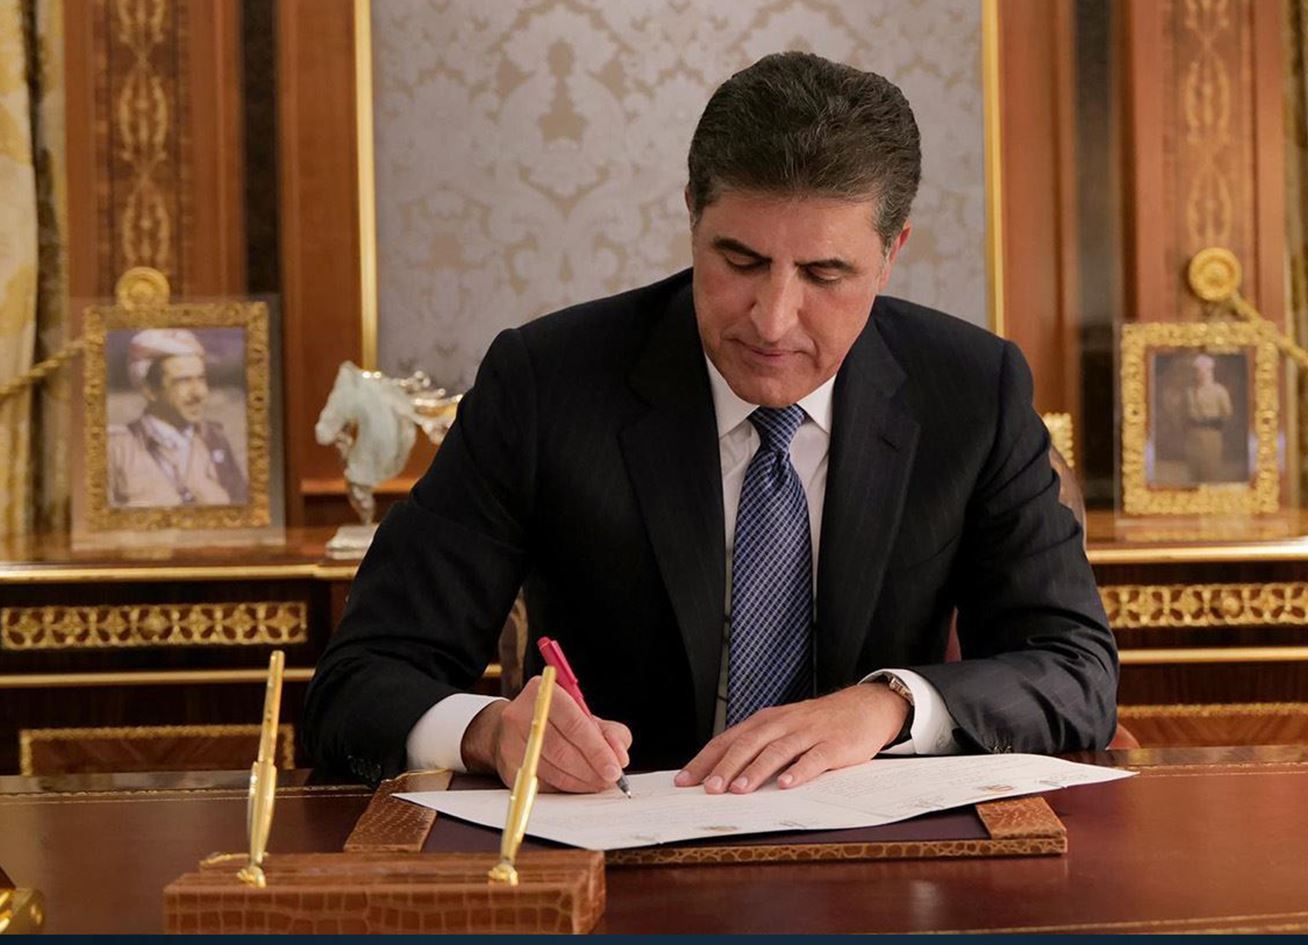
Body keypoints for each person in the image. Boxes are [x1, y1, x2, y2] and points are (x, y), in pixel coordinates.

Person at [304, 51, 1117, 794]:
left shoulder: (971, 391)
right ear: (693, 213)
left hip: (888, 862)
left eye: (825, 273)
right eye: (741, 261)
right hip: (619, 853)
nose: (773, 318)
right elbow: (360, 680)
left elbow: (1076, 669)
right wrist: (487, 732)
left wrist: (887, 705)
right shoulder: (547, 383)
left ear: (892, 251)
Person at [107, 329, 248, 507]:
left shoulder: (215, 439)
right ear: (149, 390)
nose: (199, 393)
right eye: (183, 381)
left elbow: (242, 508)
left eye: (201, 379)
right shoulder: (116, 449)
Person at [1182, 353, 1234, 483]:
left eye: (1202, 370)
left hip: (1211, 436)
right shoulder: (1189, 391)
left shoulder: (1219, 391)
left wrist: (1212, 422)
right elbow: (1183, 414)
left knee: (1211, 473)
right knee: (1194, 474)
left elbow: (1227, 413)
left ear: (1210, 371)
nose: (1199, 374)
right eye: (1197, 370)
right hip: (1193, 437)